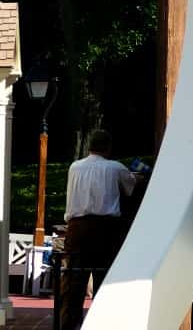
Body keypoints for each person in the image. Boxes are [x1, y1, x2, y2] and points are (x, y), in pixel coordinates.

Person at [59, 130, 137, 330]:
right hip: (105, 230)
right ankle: (103, 323)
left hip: (76, 229)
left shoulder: (74, 167)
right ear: (108, 148)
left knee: (74, 281)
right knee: (105, 279)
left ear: (89, 146)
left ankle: (68, 324)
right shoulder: (115, 168)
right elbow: (131, 188)